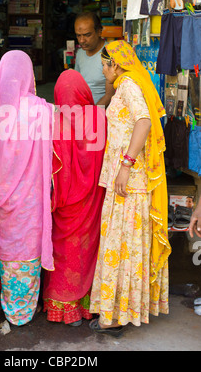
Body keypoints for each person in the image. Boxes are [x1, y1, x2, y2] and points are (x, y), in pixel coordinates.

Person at [89, 40, 171, 336]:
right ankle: (117, 310)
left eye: (104, 64)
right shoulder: (124, 84)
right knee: (122, 244)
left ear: (117, 64)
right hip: (124, 180)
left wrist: (125, 164)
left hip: (129, 181)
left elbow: (145, 121)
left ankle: (115, 315)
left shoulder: (127, 85)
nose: (102, 69)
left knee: (121, 244)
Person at [0, 50, 54, 326]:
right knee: (27, 247)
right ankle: (23, 309)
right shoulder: (40, 109)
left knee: (8, 247)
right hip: (30, 196)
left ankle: (11, 306)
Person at [43, 69, 107, 326]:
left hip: (64, 202)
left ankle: (61, 306)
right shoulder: (99, 119)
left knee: (64, 249)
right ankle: (87, 302)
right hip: (92, 200)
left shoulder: (55, 121)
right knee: (86, 249)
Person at [74, 11, 115, 106]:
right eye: (78, 35)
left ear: (99, 31)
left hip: (101, 114)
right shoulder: (80, 53)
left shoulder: (109, 54)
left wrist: (92, 115)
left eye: (87, 35)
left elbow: (109, 95)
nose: (81, 40)